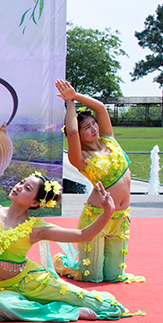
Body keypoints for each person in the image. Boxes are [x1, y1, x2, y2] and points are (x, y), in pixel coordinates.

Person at [0, 132, 136, 322]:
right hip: (4, 289)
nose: (19, 187)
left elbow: (83, 235)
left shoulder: (35, 228)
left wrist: (107, 212)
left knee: (107, 306)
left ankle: (65, 304)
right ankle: (66, 311)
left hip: (35, 283)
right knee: (1, 307)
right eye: (21, 182)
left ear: (34, 203)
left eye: (27, 188)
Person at [54, 79, 143, 283]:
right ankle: (63, 264)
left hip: (121, 217)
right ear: (79, 135)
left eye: (93, 123)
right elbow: (72, 131)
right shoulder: (80, 158)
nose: (93, 128)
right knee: (92, 277)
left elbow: (101, 108)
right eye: (87, 127)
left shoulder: (109, 139)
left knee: (114, 276)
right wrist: (70, 102)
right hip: (96, 218)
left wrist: (75, 95)